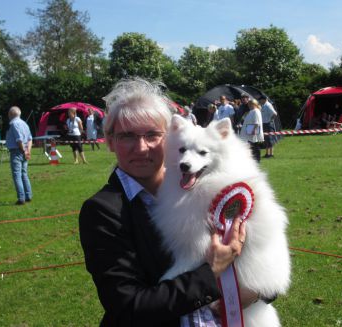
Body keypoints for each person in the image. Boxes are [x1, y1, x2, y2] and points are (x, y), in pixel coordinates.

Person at [79, 78, 258, 327]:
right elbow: (128, 306)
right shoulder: (102, 211)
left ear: (170, 139)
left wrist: (256, 291)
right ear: (110, 141)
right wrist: (210, 273)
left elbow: (262, 253)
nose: (141, 148)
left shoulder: (212, 188)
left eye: (152, 134)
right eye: (127, 136)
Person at [5, 106, 32, 205]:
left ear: (11, 114)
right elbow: (30, 139)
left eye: (8, 114)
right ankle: (28, 195)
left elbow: (19, 140)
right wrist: (28, 150)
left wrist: (24, 150)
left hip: (17, 151)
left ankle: (21, 198)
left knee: (17, 175)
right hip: (24, 150)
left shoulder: (13, 124)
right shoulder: (25, 123)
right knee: (24, 174)